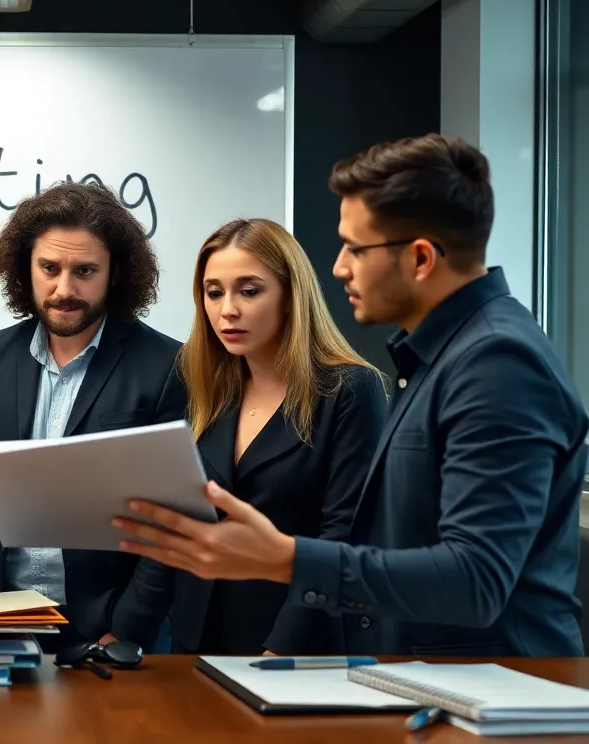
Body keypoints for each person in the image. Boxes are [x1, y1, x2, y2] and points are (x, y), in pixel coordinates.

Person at [114, 134, 588, 657]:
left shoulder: (497, 362)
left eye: (356, 249)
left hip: (503, 699)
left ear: (422, 258)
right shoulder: (438, 358)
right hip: (432, 682)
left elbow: (476, 579)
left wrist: (287, 560)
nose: (338, 267)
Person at [110, 218, 387, 656]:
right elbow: (177, 524)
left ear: (291, 297)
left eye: (250, 290)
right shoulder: (201, 387)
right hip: (197, 644)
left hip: (298, 645)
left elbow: (342, 537)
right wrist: (123, 633)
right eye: (214, 292)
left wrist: (281, 650)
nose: (227, 310)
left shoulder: (350, 390)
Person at [0, 181, 186, 651]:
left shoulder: (166, 365)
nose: (64, 288)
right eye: (49, 268)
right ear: (26, 269)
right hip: (5, 616)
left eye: (84, 270)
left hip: (110, 628)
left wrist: (127, 627)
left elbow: (173, 515)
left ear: (114, 273)